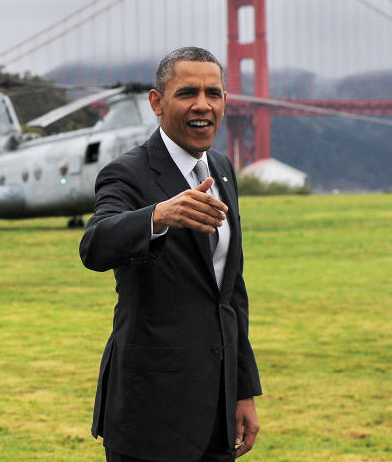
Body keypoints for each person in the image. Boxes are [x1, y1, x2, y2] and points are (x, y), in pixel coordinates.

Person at [79, 47, 261, 462]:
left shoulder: (222, 168)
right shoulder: (127, 172)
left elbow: (229, 294)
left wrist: (243, 390)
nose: (203, 105)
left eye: (213, 93)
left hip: (217, 414)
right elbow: (95, 245)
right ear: (157, 103)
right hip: (150, 415)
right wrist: (158, 215)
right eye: (187, 93)